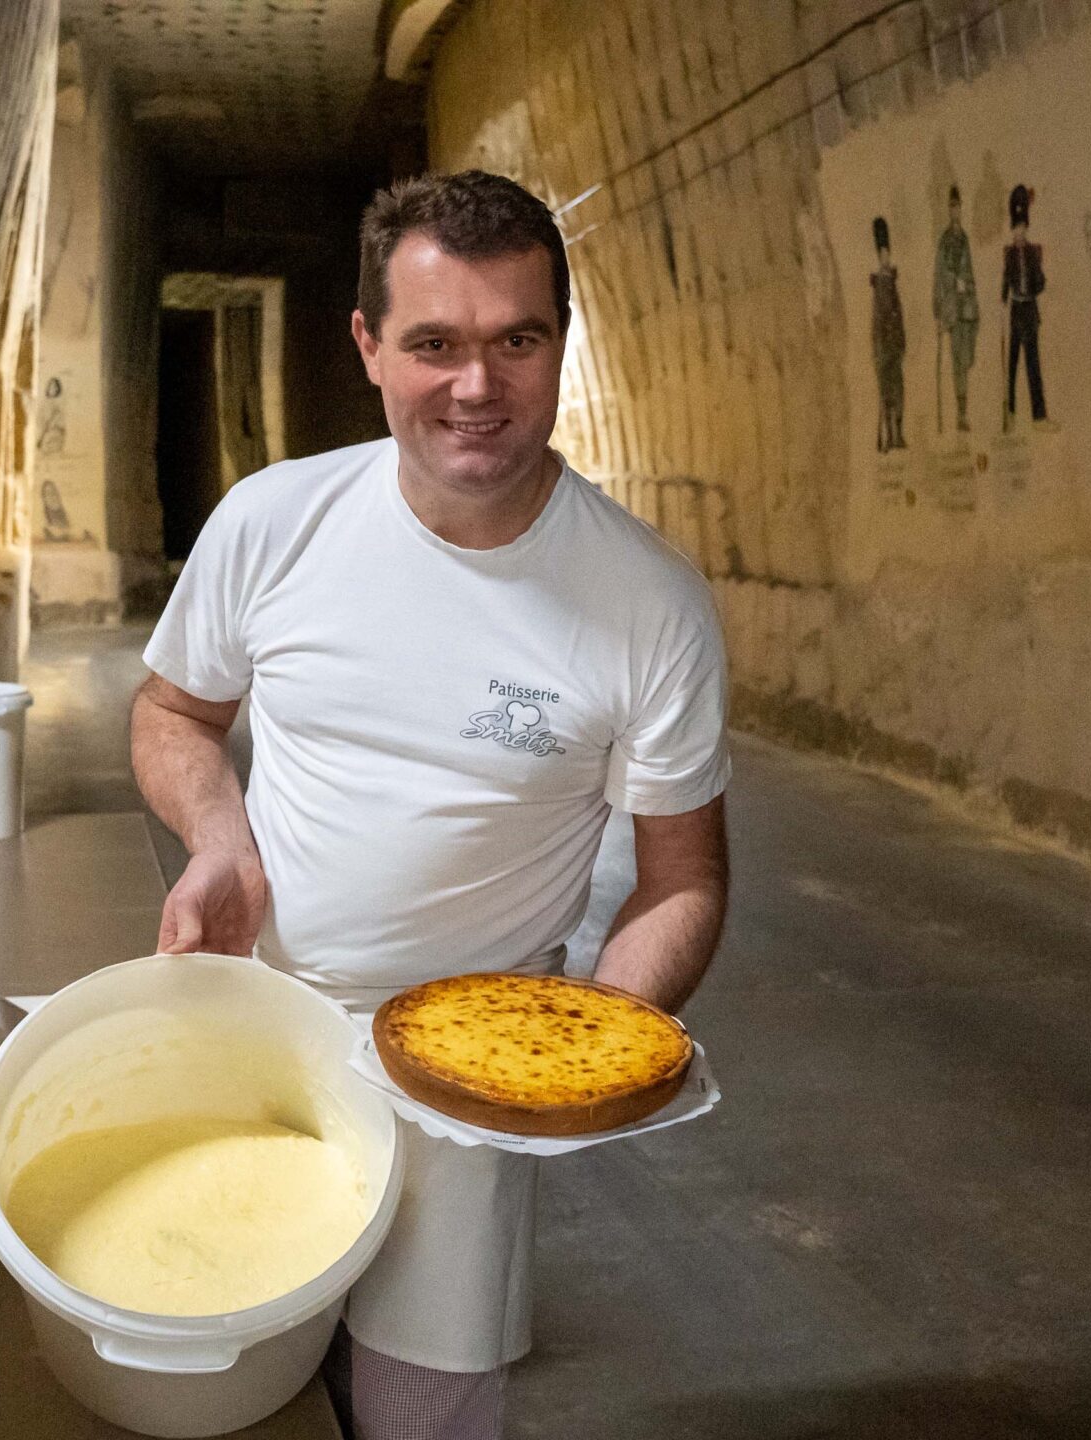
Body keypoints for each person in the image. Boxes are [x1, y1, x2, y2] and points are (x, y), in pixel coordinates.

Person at [130, 170, 732, 1440]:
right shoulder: (276, 523)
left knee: (426, 1412)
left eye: (517, 339)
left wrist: (589, 1045)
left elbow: (683, 877)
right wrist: (219, 842)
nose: (477, 386)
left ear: (561, 343)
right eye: (434, 345)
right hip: (258, 1029)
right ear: (367, 347)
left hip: (469, 1093)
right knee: (221, 1375)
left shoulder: (646, 603)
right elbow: (174, 713)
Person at [1002, 184, 1052, 432]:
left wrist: (1036, 279)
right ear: (1012, 230)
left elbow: (1041, 283)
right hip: (1014, 312)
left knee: (1033, 366)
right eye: (1015, 229)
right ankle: (1009, 415)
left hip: (1029, 311)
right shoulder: (1009, 255)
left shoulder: (1033, 253)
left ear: (1026, 229)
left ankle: (1039, 417)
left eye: (1021, 229)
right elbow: (1005, 282)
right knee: (1010, 366)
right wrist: (1002, 300)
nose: (1018, 233)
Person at [934, 184, 981, 432]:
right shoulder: (944, 241)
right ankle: (961, 414)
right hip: (952, 311)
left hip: (968, 310)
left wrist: (968, 287)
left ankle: (963, 412)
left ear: (961, 210)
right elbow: (938, 277)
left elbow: (971, 273)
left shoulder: (965, 239)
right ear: (948, 210)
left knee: (967, 359)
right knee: (957, 364)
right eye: (952, 208)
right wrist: (938, 314)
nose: (955, 212)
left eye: (958, 207)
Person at [872, 216, 909, 451]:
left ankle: (899, 436)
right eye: (882, 254)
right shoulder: (878, 287)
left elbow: (899, 315)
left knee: (899, 391)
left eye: (888, 253)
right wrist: (877, 350)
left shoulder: (892, 283)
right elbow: (876, 321)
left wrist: (902, 341)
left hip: (895, 348)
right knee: (886, 394)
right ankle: (888, 438)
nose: (886, 258)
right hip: (884, 350)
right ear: (879, 256)